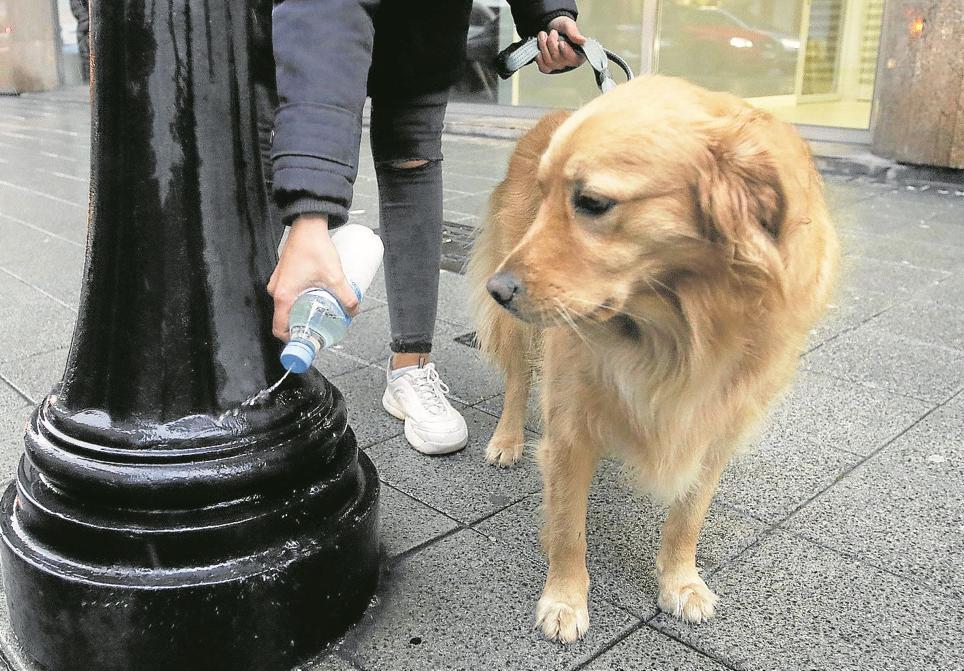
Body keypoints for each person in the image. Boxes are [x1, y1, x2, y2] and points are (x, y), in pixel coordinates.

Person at [267, 0, 584, 455]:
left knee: (411, 159)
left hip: (425, 25)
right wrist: (311, 215)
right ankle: (256, 362)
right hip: (318, 19)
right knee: (275, 145)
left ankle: (410, 369)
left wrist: (547, 14)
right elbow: (319, 52)